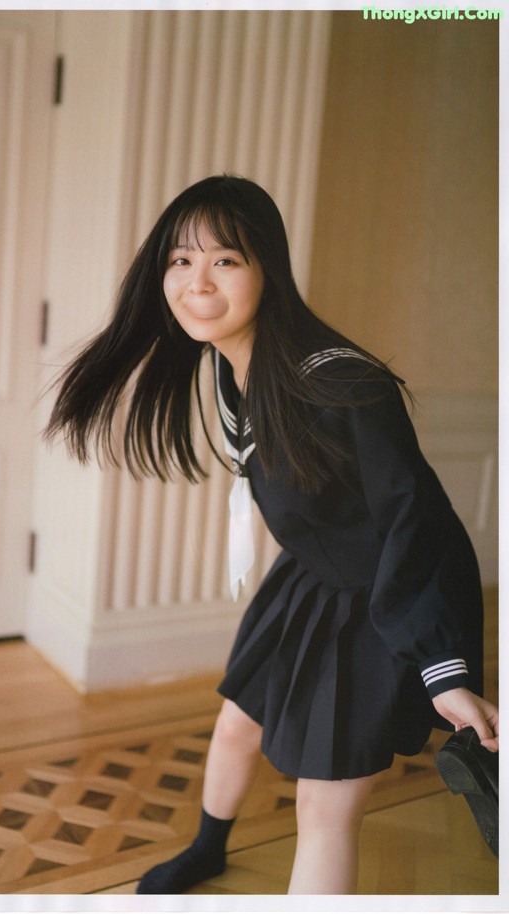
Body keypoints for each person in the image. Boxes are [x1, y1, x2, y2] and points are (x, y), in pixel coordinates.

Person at [45, 174, 499, 894]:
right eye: (180, 260)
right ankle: (207, 848)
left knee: (324, 807)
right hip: (310, 577)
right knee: (236, 725)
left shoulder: (344, 385)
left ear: (268, 271)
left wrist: (442, 670)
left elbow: (420, 524)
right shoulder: (232, 367)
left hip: (381, 598)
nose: (197, 283)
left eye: (224, 260)